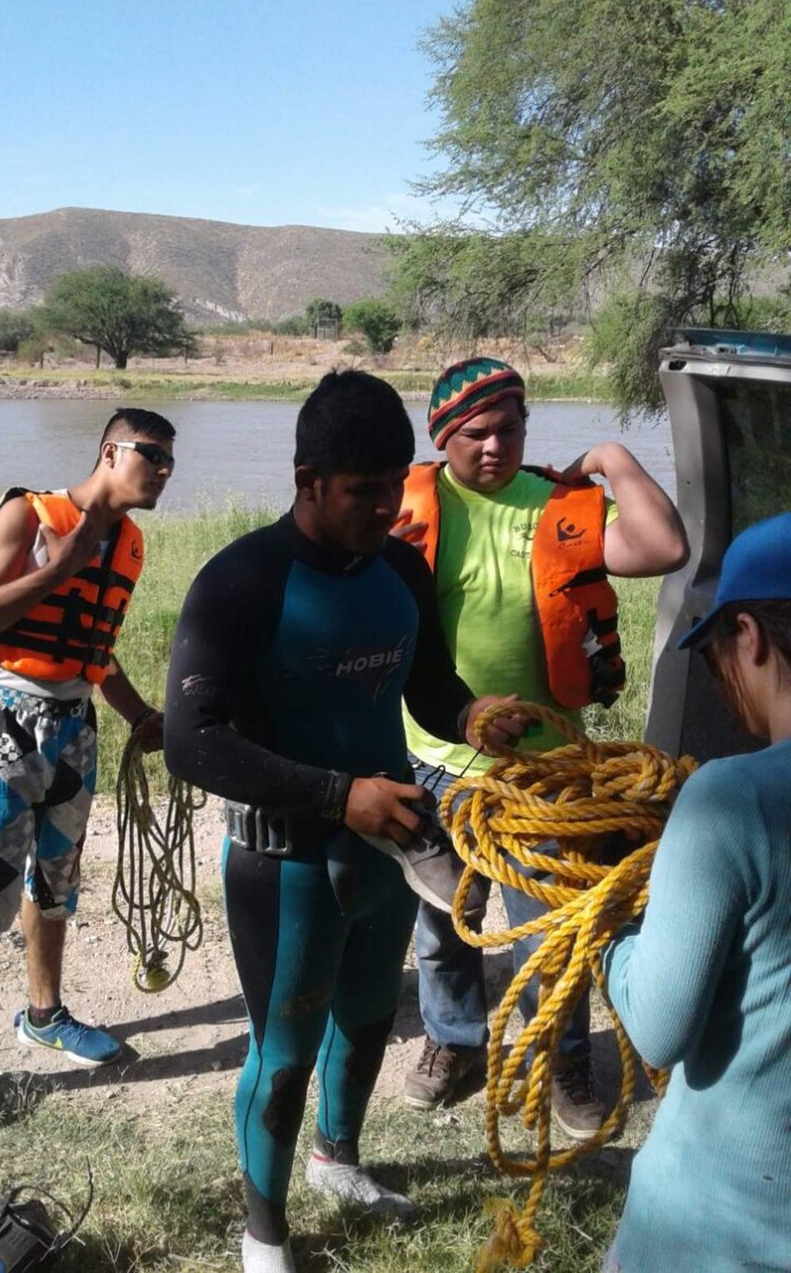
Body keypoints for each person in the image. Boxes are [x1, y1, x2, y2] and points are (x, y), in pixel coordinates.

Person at [164, 369, 523, 1273]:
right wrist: (336, 795)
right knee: (283, 1051)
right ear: (307, 480)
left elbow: (430, 688)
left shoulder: (401, 564)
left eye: (394, 484)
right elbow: (190, 742)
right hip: (285, 860)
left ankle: (339, 1160)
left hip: (390, 845)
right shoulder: (241, 579)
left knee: (366, 1018)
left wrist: (473, 714)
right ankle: (264, 1234)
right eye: (361, 491)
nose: (382, 508)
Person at [397, 357, 688, 1136]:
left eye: (511, 428)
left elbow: (663, 546)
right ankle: (453, 1038)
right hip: (434, 755)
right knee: (443, 922)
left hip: (542, 770)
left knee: (552, 927)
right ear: (443, 436)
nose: (495, 445)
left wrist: (611, 459)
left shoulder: (562, 505)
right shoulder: (409, 508)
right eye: (476, 432)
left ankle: (562, 1059)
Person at [0, 407, 176, 1122]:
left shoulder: (129, 543)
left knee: (55, 881)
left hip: (73, 721)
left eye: (169, 461)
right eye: (151, 454)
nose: (162, 470)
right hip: (1, 714)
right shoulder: (29, 514)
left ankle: (44, 1013)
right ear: (109, 449)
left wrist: (140, 716)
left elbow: (94, 644)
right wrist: (62, 564)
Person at [600, 512, 791, 1272]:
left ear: (750, 636)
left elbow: (658, 1025)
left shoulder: (732, 799)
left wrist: (612, 928)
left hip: (715, 1234)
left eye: (717, 661)